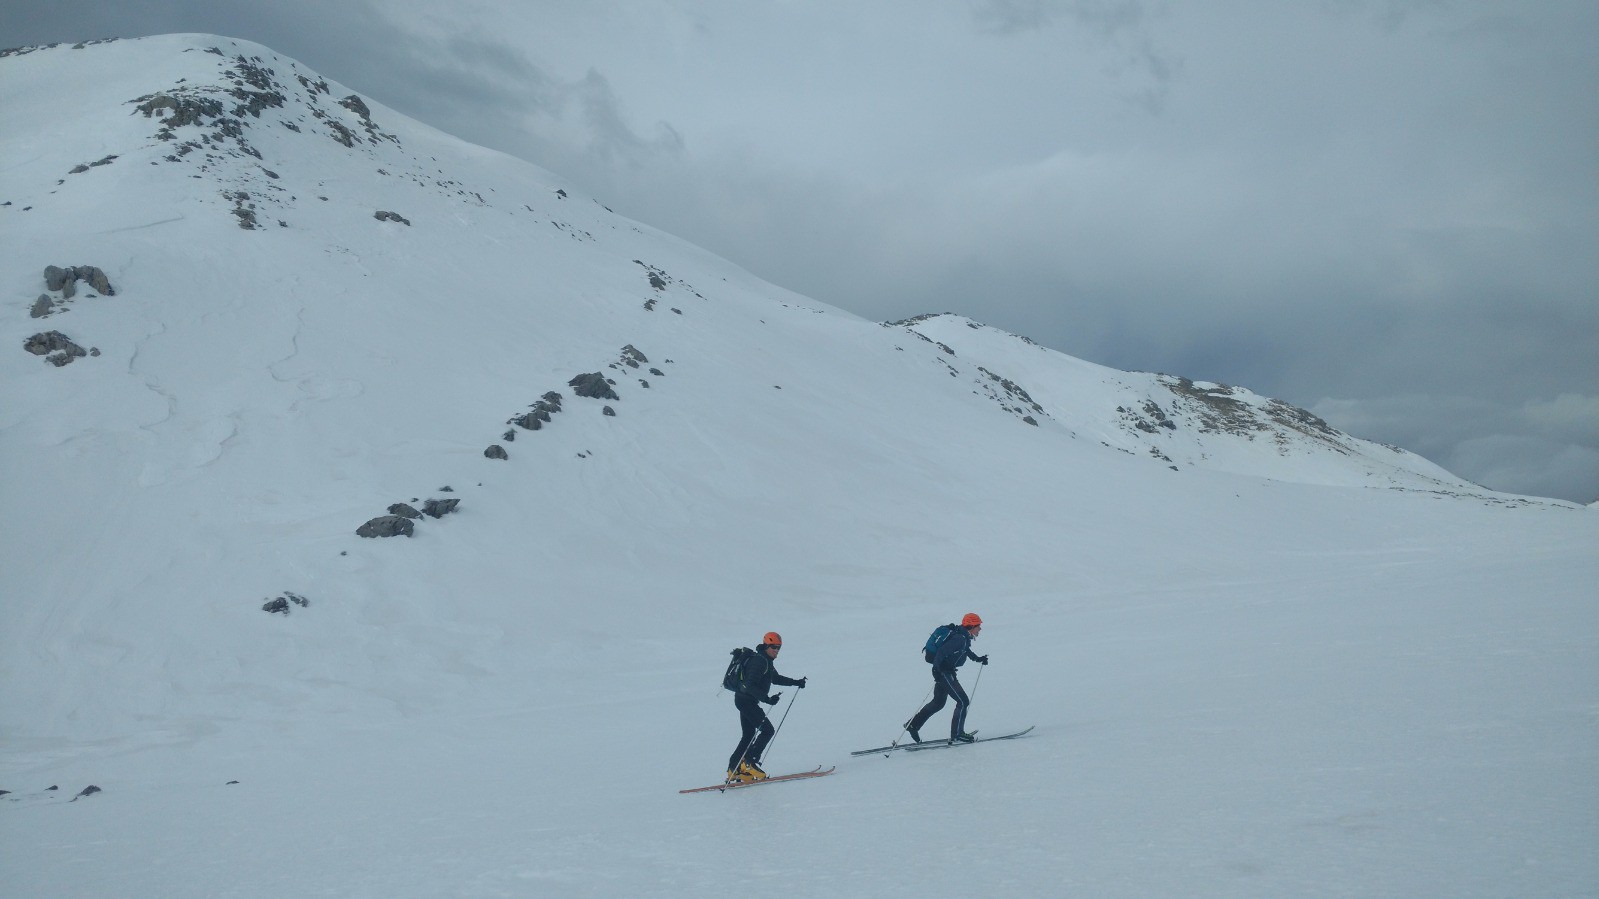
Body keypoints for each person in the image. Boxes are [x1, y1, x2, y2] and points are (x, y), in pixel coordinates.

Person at [727, 631, 807, 783]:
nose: (777, 651)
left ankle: (734, 768)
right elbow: (749, 685)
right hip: (746, 701)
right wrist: (767, 699)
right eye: (774, 647)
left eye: (779, 648)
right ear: (766, 645)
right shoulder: (759, 661)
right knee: (767, 730)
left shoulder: (766, 660)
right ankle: (750, 762)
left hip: (744, 700)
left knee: (748, 735)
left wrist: (796, 682)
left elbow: (775, 678)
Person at [905, 613, 988, 744]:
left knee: (938, 703)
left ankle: (913, 725)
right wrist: (936, 671)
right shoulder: (959, 638)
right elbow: (941, 652)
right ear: (972, 626)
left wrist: (978, 659)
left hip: (945, 672)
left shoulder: (963, 637)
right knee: (963, 701)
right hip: (944, 673)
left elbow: (965, 650)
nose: (980, 629)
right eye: (979, 626)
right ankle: (958, 734)